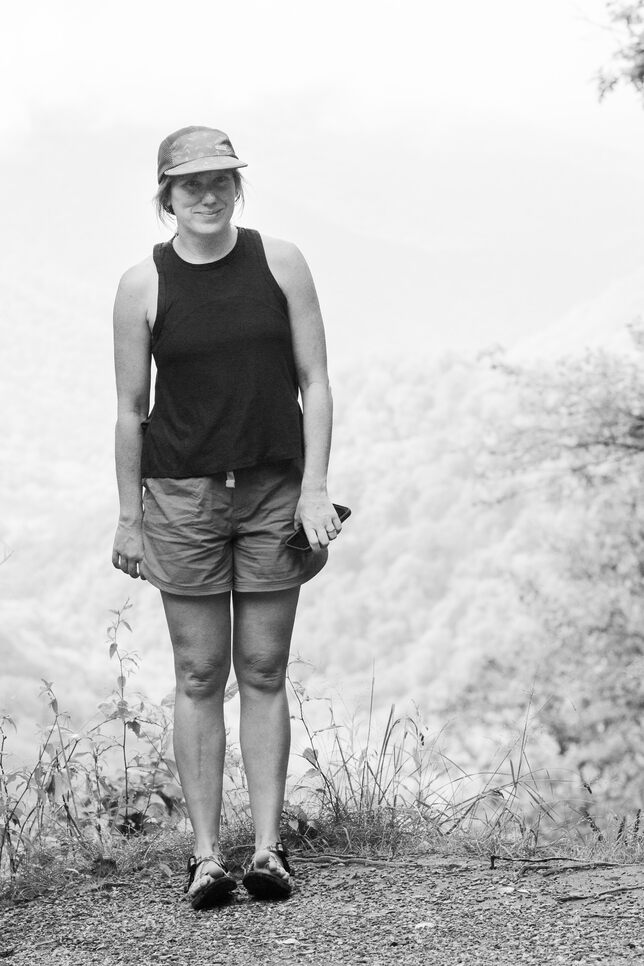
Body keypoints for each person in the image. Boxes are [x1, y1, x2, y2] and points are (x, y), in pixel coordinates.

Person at [111, 126, 341, 908]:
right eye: (191, 185)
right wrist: (126, 517)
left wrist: (315, 489)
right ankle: (207, 857)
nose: (208, 196)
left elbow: (316, 380)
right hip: (181, 496)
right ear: (166, 195)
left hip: (275, 489)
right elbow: (127, 411)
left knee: (267, 670)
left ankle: (269, 853)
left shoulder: (281, 262)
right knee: (200, 673)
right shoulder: (142, 283)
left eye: (222, 182)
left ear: (238, 188)